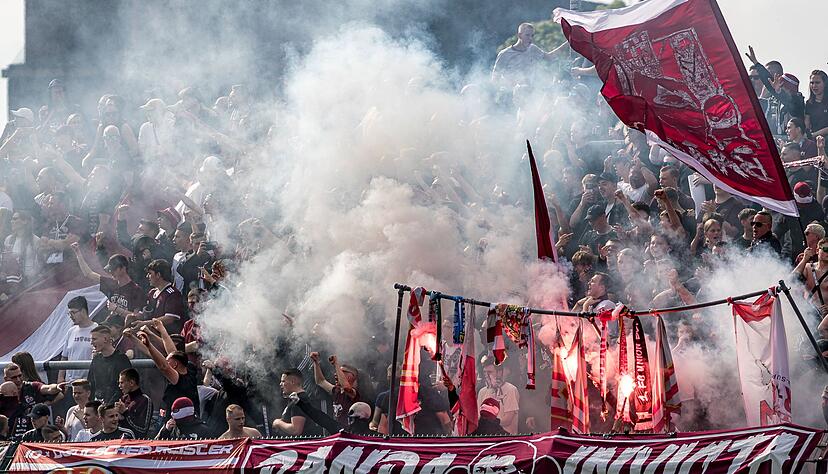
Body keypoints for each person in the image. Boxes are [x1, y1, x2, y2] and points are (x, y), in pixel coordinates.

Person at [127, 329, 199, 419]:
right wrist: (131, 337)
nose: (166, 362)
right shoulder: (188, 366)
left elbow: (164, 366)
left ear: (175, 364)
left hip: (182, 421)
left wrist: (149, 345)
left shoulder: (181, 380)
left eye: (168, 362)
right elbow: (163, 353)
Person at [72, 244, 146, 329]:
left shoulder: (136, 290)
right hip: (109, 327)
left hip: (124, 329)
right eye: (109, 269)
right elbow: (89, 274)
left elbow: (137, 317)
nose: (111, 272)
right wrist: (78, 253)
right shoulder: (111, 284)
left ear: (123, 268)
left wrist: (117, 309)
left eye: (113, 269)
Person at [491, 22, 566, 89]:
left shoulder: (533, 49)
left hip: (529, 94)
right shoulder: (504, 54)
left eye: (532, 35)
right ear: (519, 35)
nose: (530, 38)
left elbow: (550, 57)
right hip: (511, 94)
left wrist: (568, 42)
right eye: (527, 35)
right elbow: (495, 78)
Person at [3, 363, 65, 440]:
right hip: (11, 439)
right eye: (14, 377)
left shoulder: (32, 387)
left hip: (34, 437)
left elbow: (47, 388)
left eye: (20, 375)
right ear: (6, 379)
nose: (18, 380)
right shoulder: (3, 394)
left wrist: (56, 387)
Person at [310, 351, 360, 428]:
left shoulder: (354, 393)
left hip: (351, 432)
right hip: (338, 431)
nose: (335, 374)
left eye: (341, 372)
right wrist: (316, 362)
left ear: (349, 376)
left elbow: (346, 387)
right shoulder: (337, 391)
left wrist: (336, 364)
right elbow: (320, 381)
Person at [58, 296, 97, 384]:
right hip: (70, 383)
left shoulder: (97, 329)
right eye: (69, 313)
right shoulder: (71, 331)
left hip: (88, 383)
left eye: (73, 312)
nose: (71, 316)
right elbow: (64, 357)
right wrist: (60, 377)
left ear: (83, 311)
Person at [88, 325, 133, 404]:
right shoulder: (96, 360)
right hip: (97, 405)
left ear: (105, 339)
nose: (91, 343)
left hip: (116, 405)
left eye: (94, 339)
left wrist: (109, 405)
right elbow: (91, 384)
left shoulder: (121, 359)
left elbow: (126, 386)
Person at [477, 360, 519, 435]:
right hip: (486, 437)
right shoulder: (482, 392)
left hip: (505, 438)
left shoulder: (510, 390)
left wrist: (489, 422)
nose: (486, 375)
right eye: (485, 372)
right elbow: (478, 417)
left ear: (499, 373)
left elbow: (508, 420)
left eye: (489, 372)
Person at [145, 259, 187, 334]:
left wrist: (145, 324)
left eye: (150, 273)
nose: (147, 276)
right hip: (151, 334)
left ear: (158, 275)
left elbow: (169, 318)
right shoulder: (152, 292)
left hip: (167, 337)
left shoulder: (173, 294)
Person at [272, 368, 317, 436]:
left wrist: (278, 423)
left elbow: (296, 430)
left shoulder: (298, 400)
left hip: (302, 442)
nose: (280, 384)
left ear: (293, 382)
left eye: (283, 381)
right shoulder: (300, 399)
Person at [115, 368, 153, 439]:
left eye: (122, 383)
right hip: (119, 441)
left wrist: (125, 412)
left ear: (132, 383)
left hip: (137, 443)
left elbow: (142, 429)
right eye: (119, 383)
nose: (119, 386)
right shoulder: (123, 399)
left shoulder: (145, 400)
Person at [806, 70, 828, 137]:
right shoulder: (809, 103)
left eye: (817, 83)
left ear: (825, 84)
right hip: (814, 140)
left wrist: (814, 134)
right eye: (812, 83)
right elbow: (807, 125)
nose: (814, 86)